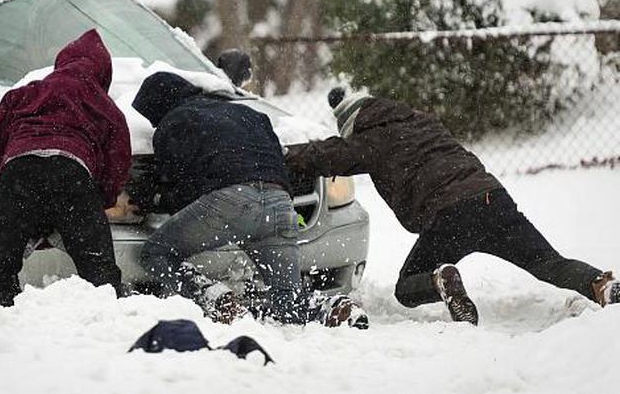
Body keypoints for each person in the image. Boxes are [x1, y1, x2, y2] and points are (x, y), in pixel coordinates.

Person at [287, 88, 620, 325]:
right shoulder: (424, 122)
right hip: (493, 198)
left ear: (352, 125)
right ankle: (600, 284)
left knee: (407, 286)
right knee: (548, 262)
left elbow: (324, 156)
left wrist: (278, 154)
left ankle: (440, 279)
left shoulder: (370, 140)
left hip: (450, 216)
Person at [131, 72, 355, 326]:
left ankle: (215, 298)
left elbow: (183, 187)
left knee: (156, 253)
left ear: (158, 106)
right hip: (280, 203)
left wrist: (156, 201)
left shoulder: (173, 123)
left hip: (230, 203)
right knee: (287, 300)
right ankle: (330, 308)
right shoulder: (249, 114)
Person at [0, 29, 131, 306]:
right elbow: (117, 164)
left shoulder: (23, 94)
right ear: (102, 73)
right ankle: (108, 321)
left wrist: (12, 186)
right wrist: (99, 201)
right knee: (98, 269)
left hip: (19, 172)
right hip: (71, 174)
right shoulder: (104, 105)